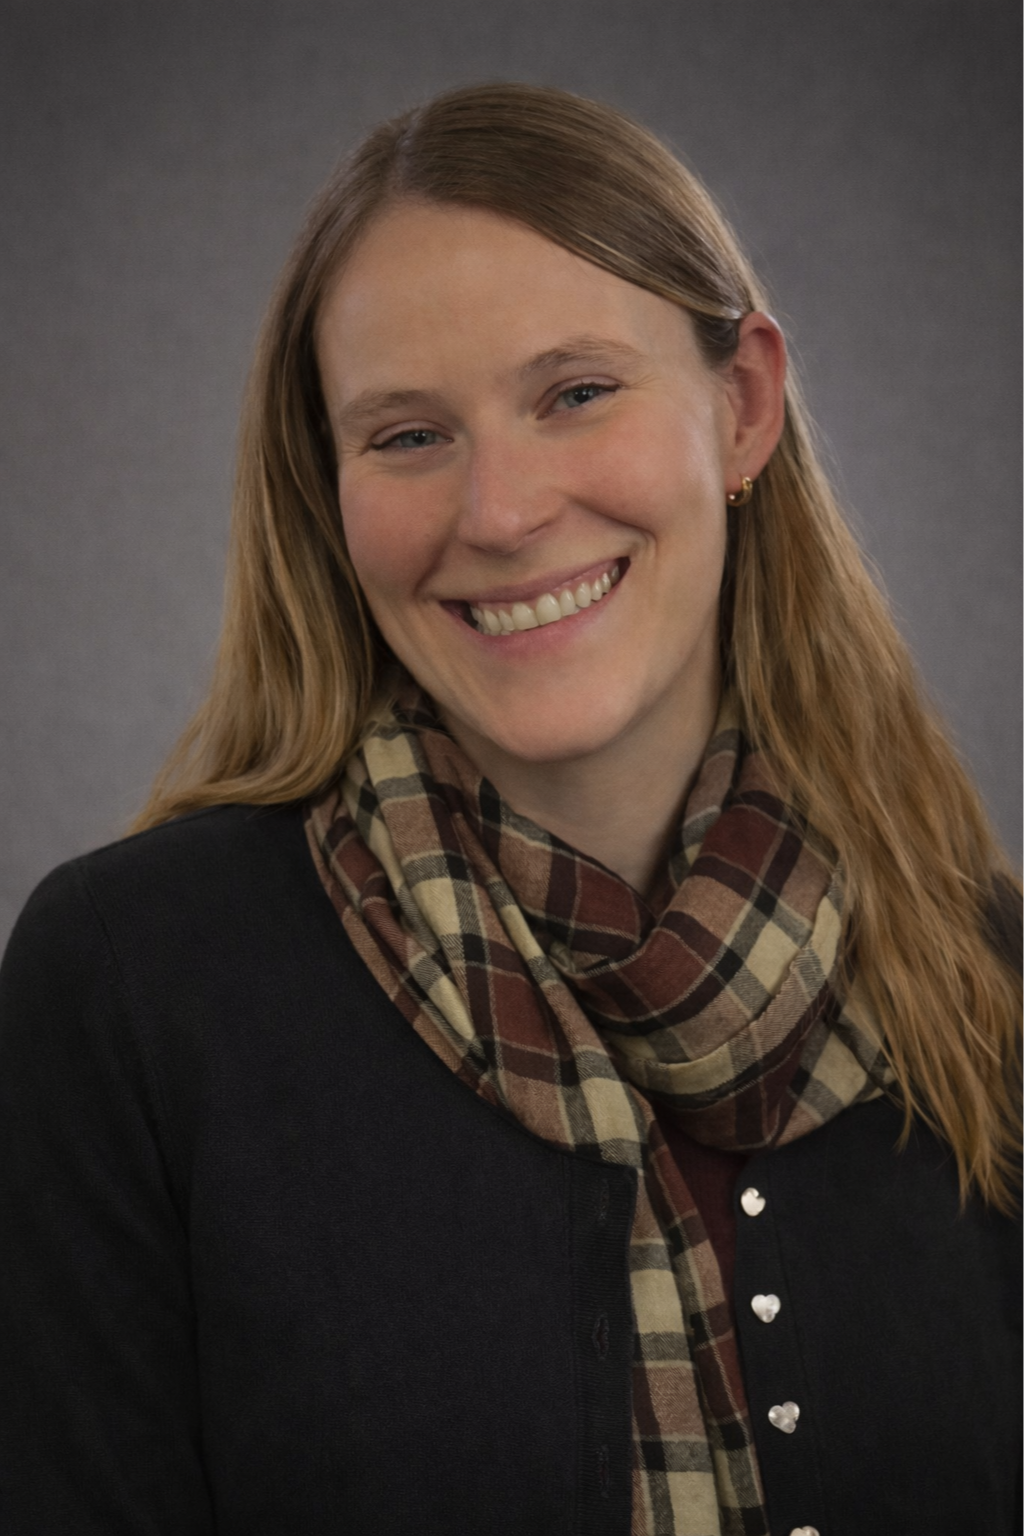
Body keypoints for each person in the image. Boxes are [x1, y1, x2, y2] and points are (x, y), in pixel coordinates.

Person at [1, 82, 1022, 1536]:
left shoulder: (989, 977)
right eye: (408, 436)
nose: (499, 510)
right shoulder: (133, 984)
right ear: (330, 490)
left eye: (577, 393)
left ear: (742, 409)